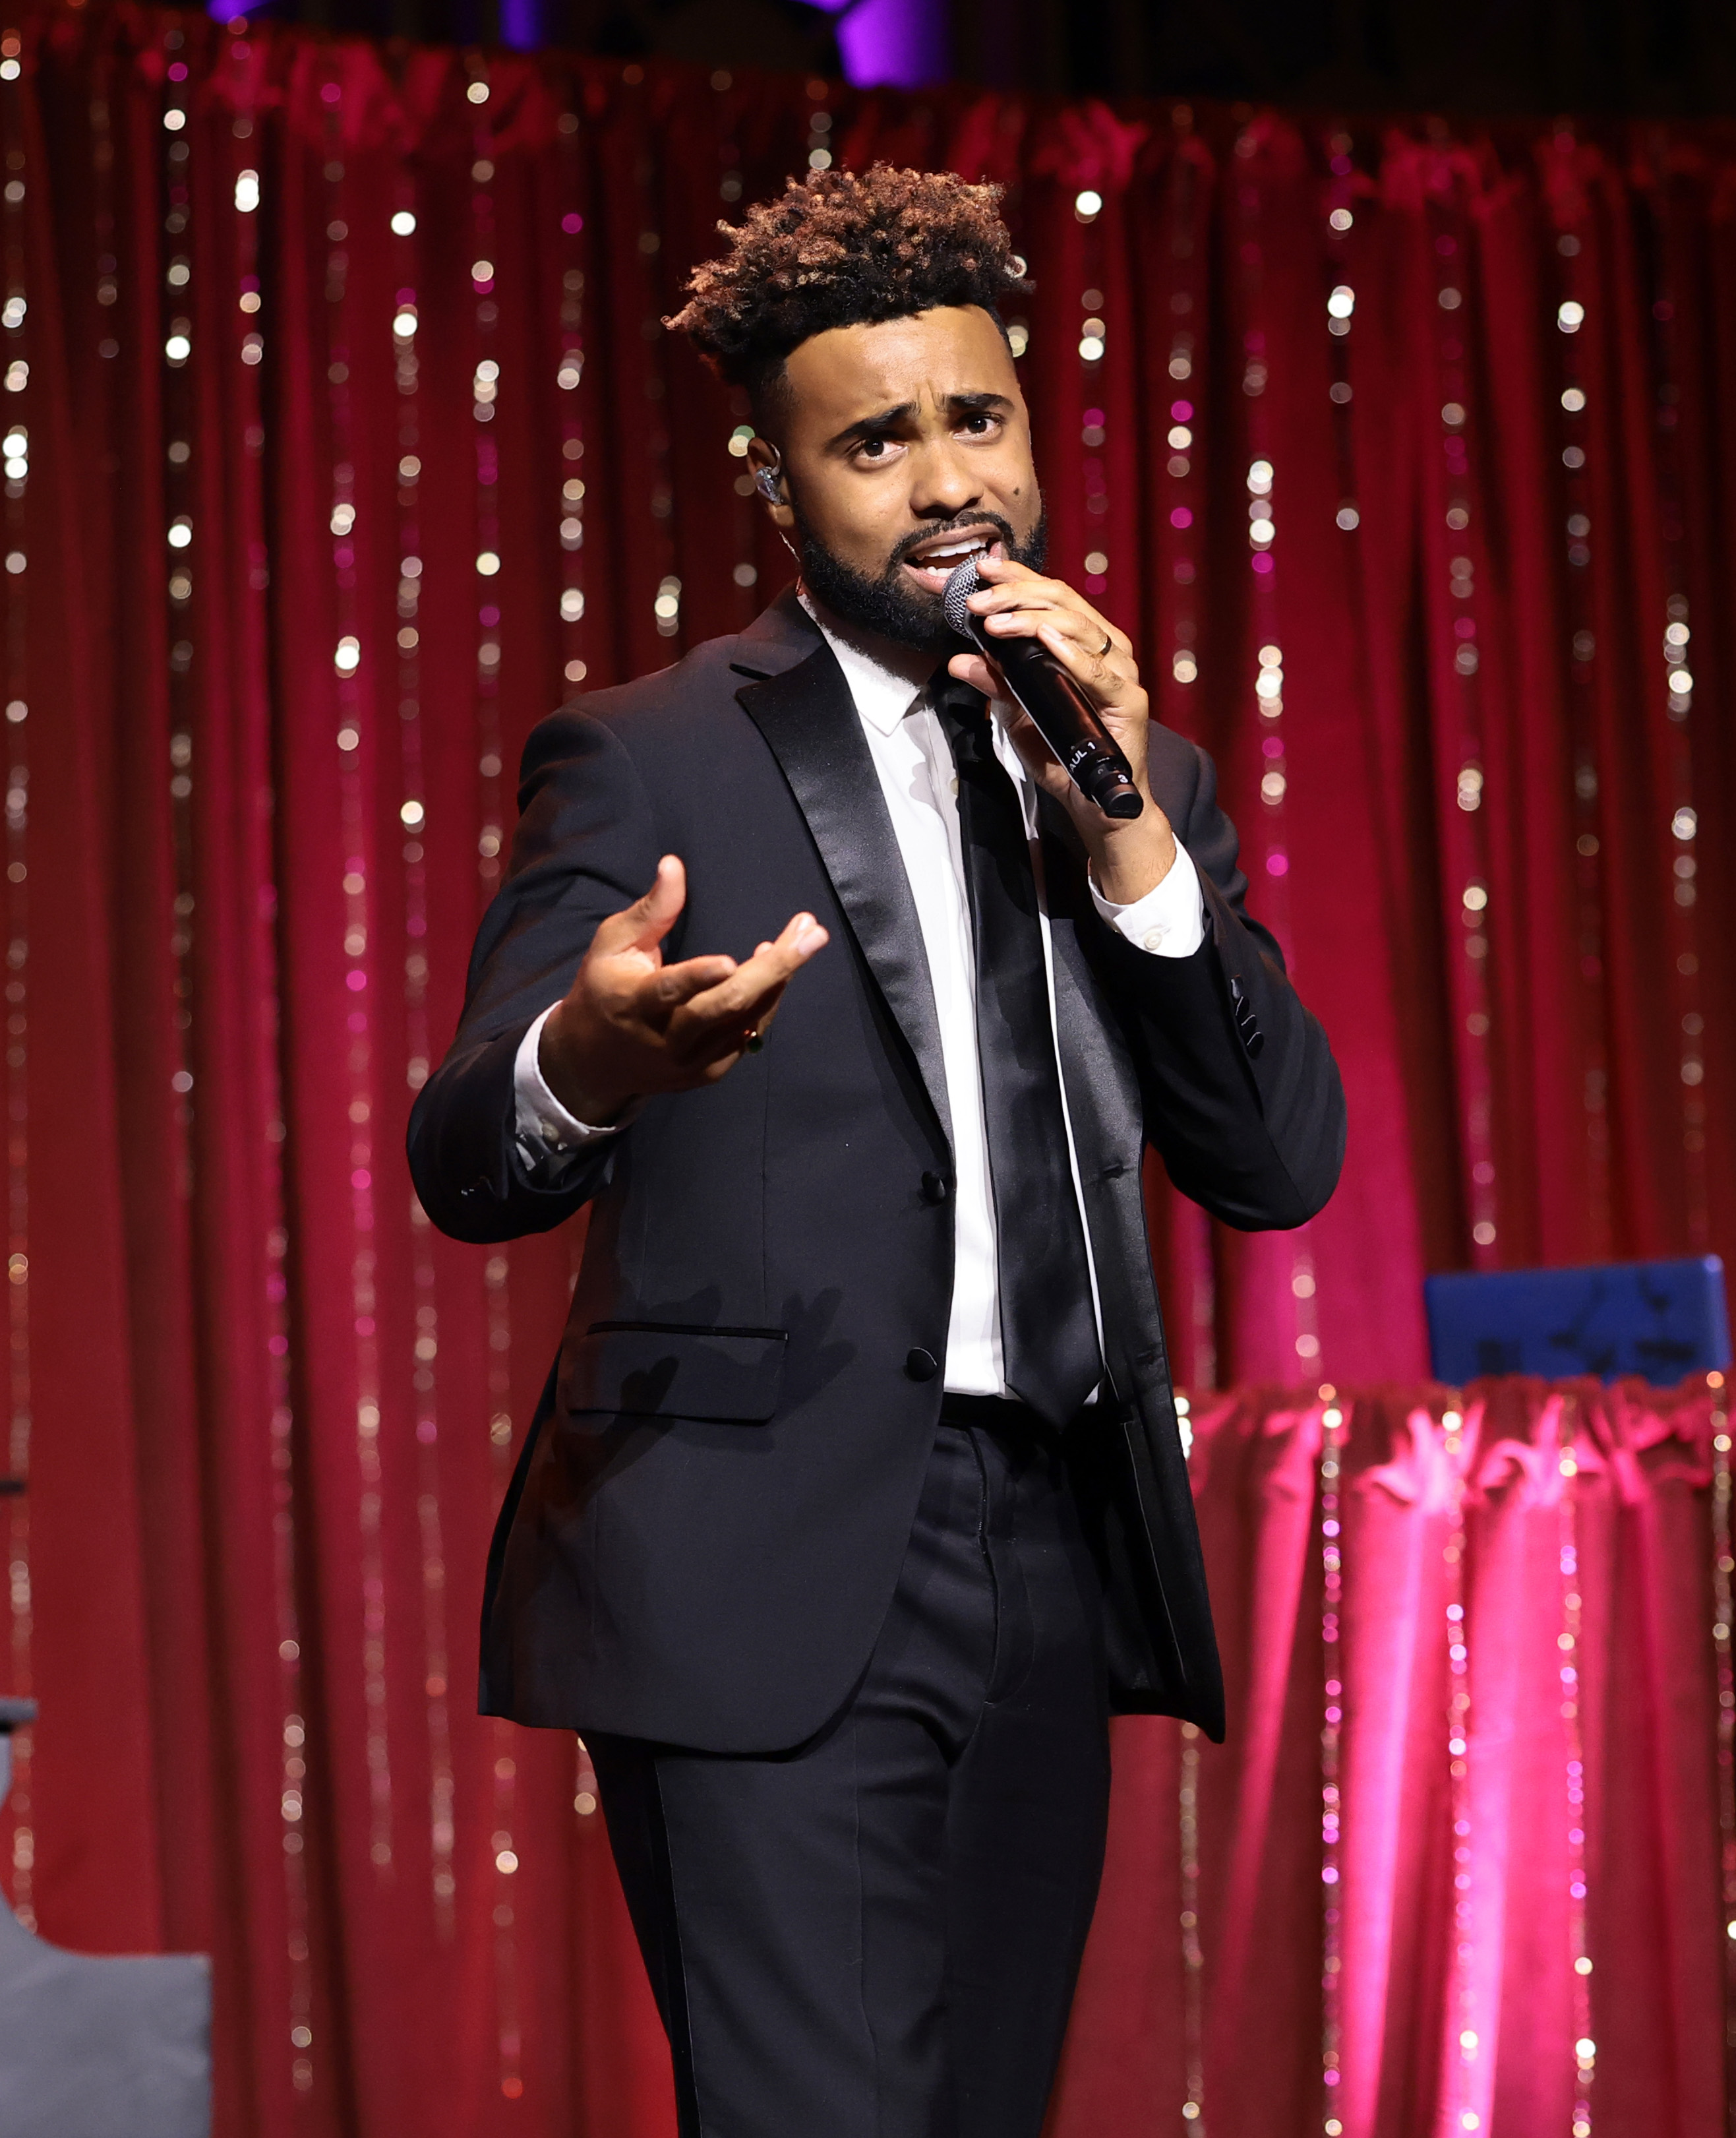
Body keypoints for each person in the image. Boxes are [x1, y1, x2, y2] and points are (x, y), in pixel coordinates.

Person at [407, 167, 1346, 2135]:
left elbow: (1269, 1160)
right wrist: (590, 1052)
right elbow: (466, 1154)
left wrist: (1137, 847)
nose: (943, 482)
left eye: (976, 420)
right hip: (758, 1547)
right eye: (873, 441)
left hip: (1045, 1541)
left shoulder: (1131, 762)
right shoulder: (651, 750)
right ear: (780, 484)